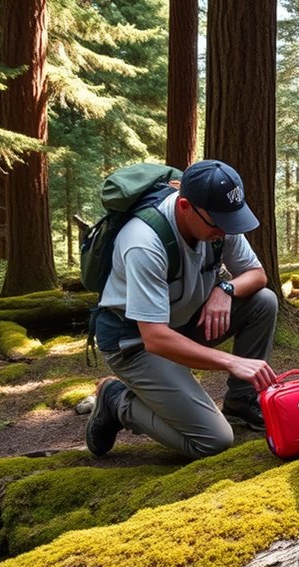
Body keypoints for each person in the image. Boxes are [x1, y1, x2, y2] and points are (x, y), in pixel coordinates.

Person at [86, 160, 279, 459]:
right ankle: (116, 401)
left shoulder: (219, 220)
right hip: (136, 343)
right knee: (213, 440)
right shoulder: (144, 242)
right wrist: (231, 361)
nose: (225, 231)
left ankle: (241, 400)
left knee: (263, 301)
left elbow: (257, 274)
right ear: (186, 206)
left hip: (182, 321)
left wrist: (224, 289)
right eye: (217, 223)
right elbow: (155, 339)